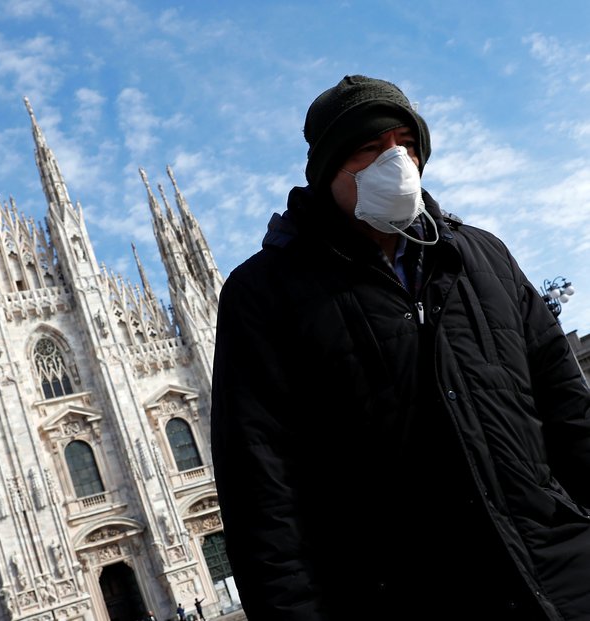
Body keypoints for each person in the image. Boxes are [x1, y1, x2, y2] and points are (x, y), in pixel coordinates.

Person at [210, 75, 590, 621]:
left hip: (561, 578)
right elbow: (263, 496)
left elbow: (569, 411)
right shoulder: (263, 296)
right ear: (328, 171)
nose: (397, 161)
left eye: (406, 144)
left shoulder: (481, 256)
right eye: (370, 148)